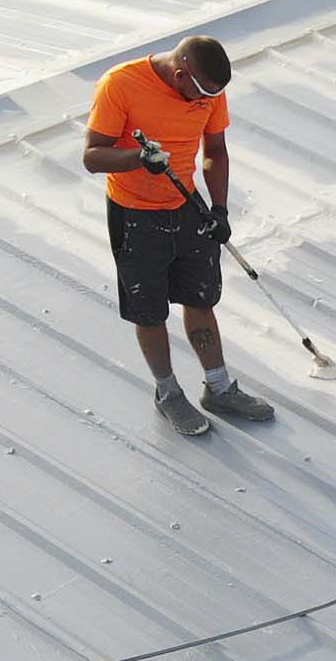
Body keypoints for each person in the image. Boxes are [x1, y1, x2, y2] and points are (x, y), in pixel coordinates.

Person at [81, 34, 274, 437]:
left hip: (187, 208)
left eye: (214, 94)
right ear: (182, 73)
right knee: (149, 312)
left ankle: (218, 388)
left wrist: (219, 208)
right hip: (135, 215)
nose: (204, 100)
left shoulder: (208, 91)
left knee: (200, 298)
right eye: (201, 92)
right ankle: (168, 394)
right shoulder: (120, 84)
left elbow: (215, 151)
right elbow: (92, 156)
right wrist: (138, 159)